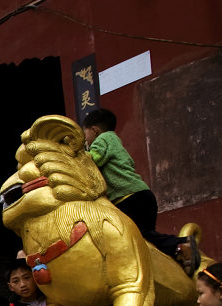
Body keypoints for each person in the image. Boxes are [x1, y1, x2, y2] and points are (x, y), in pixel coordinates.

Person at [82, 108, 198, 275]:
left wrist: (75, 155)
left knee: (138, 236)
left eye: (85, 134)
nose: (85, 139)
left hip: (129, 197)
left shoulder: (103, 139)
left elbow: (93, 160)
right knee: (146, 239)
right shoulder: (115, 141)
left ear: (94, 130)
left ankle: (181, 244)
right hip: (141, 195)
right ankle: (176, 255)